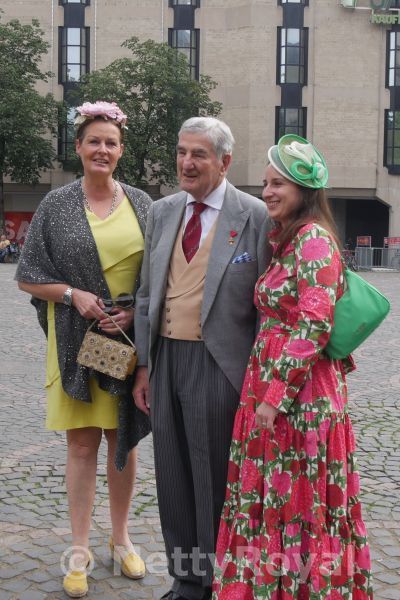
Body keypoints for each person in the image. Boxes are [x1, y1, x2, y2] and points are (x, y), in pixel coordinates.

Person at [212, 135, 373, 599]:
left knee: (299, 505)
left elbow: (314, 326)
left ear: (304, 189)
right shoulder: (289, 240)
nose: (267, 193)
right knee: (273, 502)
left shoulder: (314, 240)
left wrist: (274, 394)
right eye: (265, 183)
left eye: (278, 183)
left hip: (299, 403)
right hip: (273, 393)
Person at [16, 101, 152, 598]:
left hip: (127, 342)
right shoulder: (55, 204)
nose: (102, 149)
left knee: (123, 442)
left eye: (110, 143)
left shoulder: (142, 203)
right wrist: (74, 295)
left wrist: (136, 311)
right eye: (93, 141)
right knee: (81, 444)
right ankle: (78, 547)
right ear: (78, 147)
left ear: (120, 151)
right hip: (76, 341)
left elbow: (157, 278)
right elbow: (28, 277)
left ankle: (121, 538)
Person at [133, 116, 271, 600]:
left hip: (222, 366)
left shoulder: (253, 215)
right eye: (181, 152)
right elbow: (149, 292)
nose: (186, 163)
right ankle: (186, 579)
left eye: (199, 155)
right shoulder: (163, 211)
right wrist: (145, 367)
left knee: (213, 475)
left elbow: (265, 307)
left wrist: (260, 383)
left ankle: (221, 579)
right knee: (171, 473)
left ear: (225, 161)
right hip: (167, 356)